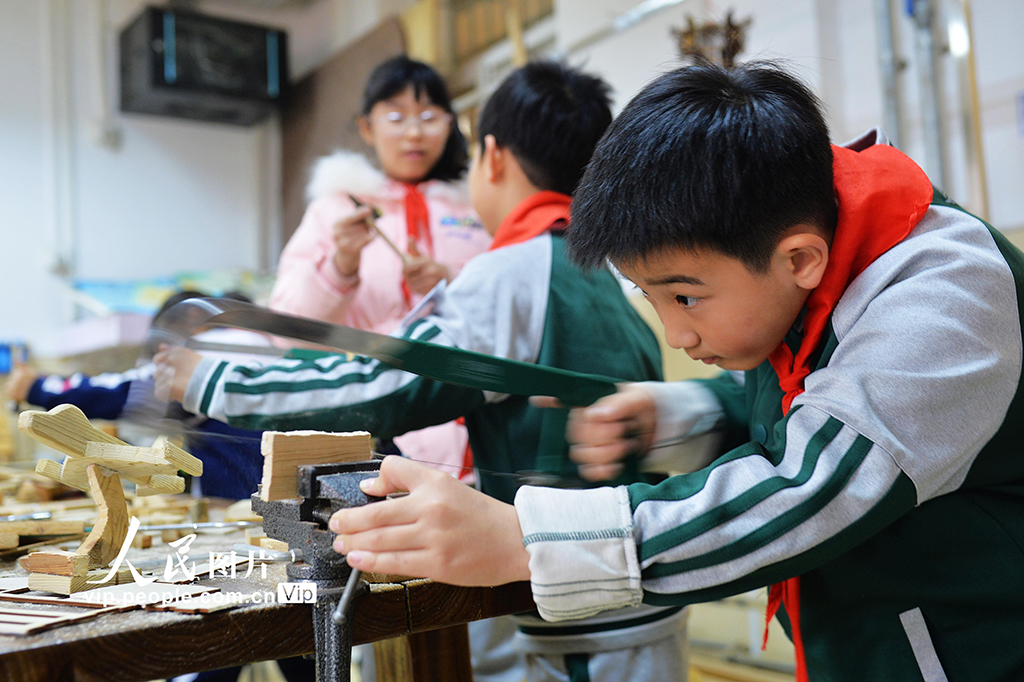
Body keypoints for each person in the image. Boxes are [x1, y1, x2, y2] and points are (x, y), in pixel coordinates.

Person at [314, 60, 1024, 682]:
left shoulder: (942, 295)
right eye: (651, 298)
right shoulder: (814, 240)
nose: (676, 331)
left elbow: (812, 484)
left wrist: (524, 540)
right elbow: (811, 395)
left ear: (799, 258)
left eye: (685, 295)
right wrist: (686, 414)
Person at [154, 62, 690, 682]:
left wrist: (216, 379)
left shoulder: (514, 269)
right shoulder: (606, 277)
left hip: (580, 615)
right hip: (624, 591)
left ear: (490, 156)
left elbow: (386, 384)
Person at [270, 55, 491, 479]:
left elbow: (507, 302)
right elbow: (289, 329)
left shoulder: (475, 206)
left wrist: (450, 279)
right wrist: (341, 265)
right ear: (366, 127)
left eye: (429, 116)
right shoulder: (336, 207)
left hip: (470, 418)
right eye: (396, 116)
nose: (413, 132)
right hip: (368, 419)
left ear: (450, 124)